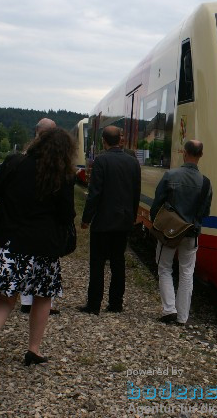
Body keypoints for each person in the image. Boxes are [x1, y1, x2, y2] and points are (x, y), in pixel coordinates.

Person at [0, 127, 76, 376]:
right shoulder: (63, 176)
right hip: (43, 249)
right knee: (42, 297)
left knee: (3, 299)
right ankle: (33, 350)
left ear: (38, 141)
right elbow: (67, 216)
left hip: (9, 243)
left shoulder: (16, 162)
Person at [79, 126, 141, 315]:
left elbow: (95, 194)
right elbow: (135, 193)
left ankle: (94, 304)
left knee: (97, 263)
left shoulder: (101, 161)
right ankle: (116, 303)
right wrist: (132, 216)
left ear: (104, 141)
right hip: (123, 220)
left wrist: (86, 218)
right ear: (120, 140)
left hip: (103, 222)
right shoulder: (133, 162)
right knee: (118, 262)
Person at [151, 140, 212, 326]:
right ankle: (183, 317)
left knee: (164, 267)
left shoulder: (171, 175)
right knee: (187, 272)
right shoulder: (206, 183)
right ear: (201, 155)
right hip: (191, 232)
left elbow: (157, 204)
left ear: (184, 153)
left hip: (170, 232)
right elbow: (205, 212)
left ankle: (169, 309)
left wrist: (158, 223)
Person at [20, 118, 59, 315]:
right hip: (48, 223)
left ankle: (26, 301)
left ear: (36, 132)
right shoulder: (59, 162)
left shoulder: (23, 157)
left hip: (24, 220)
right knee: (46, 265)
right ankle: (46, 303)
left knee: (27, 260)